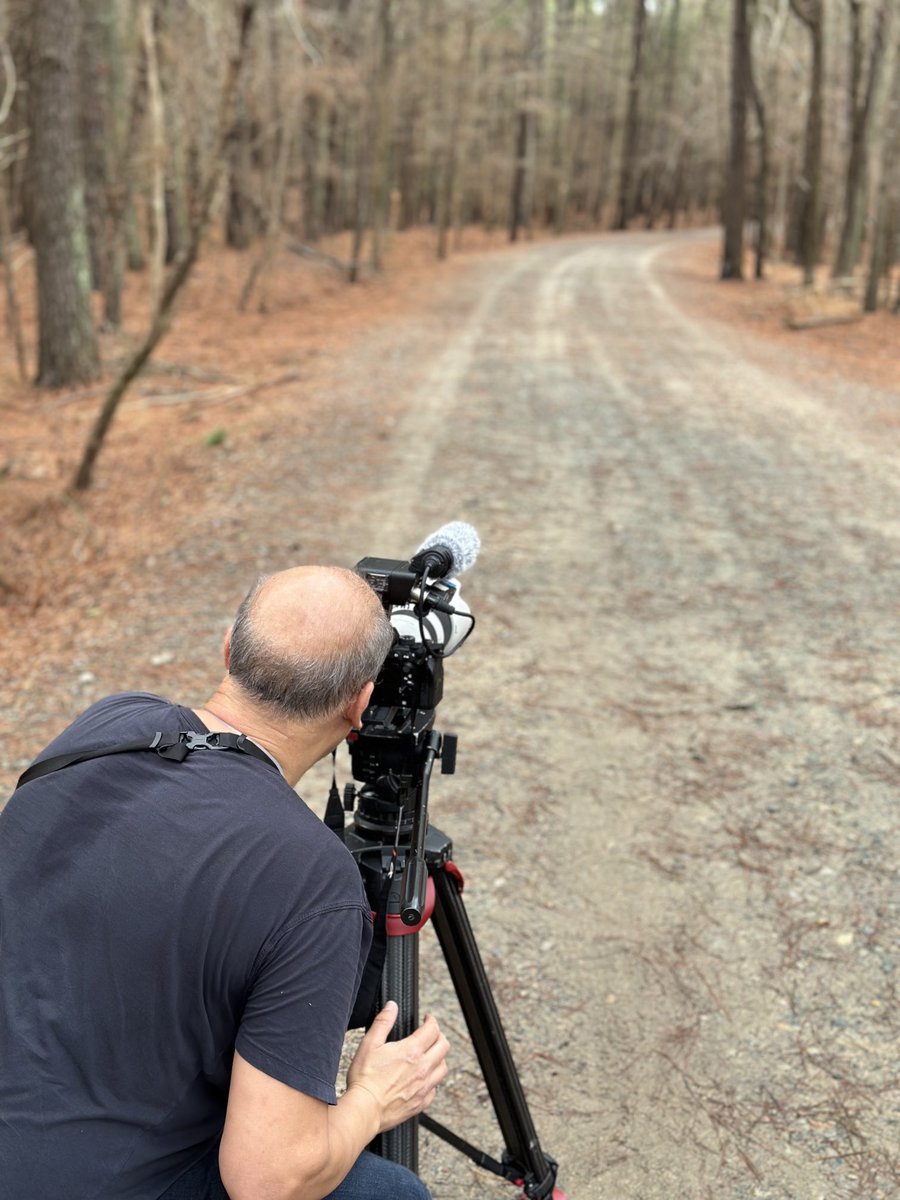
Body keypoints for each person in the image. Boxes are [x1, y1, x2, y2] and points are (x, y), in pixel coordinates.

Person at [0, 565, 451, 1200]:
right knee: (389, 1193)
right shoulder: (311, 877)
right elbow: (266, 1181)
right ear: (360, 702)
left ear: (228, 651)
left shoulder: (108, 725)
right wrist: (374, 1099)